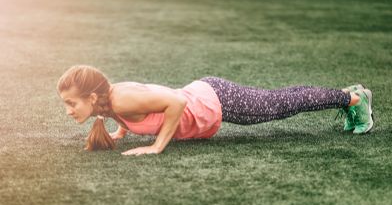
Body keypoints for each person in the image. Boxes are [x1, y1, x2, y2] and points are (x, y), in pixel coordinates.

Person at [57, 65, 374, 156]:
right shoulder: (108, 102)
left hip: (215, 100)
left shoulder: (120, 99)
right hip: (207, 93)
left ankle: (354, 101)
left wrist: (156, 146)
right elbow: (130, 112)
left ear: (91, 95)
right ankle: (347, 95)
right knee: (279, 100)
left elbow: (175, 103)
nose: (69, 110)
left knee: (279, 104)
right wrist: (121, 130)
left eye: (72, 102)